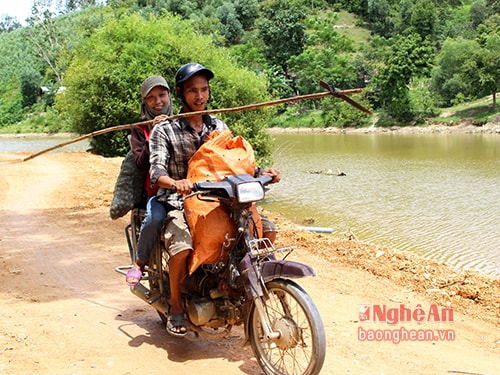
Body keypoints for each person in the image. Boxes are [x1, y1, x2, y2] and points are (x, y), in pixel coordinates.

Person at [149, 63, 281, 336]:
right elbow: (156, 170)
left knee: (266, 230)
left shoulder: (218, 126)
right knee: (182, 246)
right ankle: (175, 306)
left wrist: (261, 173)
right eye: (192, 91)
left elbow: (233, 162)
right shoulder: (165, 130)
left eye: (204, 90)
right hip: (180, 200)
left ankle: (236, 286)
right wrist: (176, 182)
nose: (199, 96)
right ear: (180, 93)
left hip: (221, 200)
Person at [125, 75, 173, 286]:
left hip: (186, 189)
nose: (158, 102)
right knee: (154, 219)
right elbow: (141, 163)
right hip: (157, 192)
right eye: (151, 98)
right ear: (145, 102)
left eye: (162, 95)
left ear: (170, 96)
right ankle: (140, 263)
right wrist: (154, 132)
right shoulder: (140, 130)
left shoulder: (183, 121)